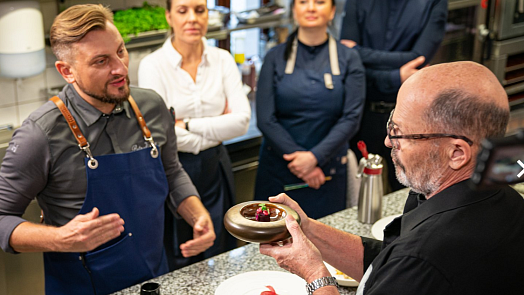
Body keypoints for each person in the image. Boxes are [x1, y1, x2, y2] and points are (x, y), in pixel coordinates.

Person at [0, 4, 215, 295]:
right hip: (81, 287)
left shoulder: (152, 107)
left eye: (120, 51)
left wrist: (197, 214)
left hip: (155, 280)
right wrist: (62, 238)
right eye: (101, 61)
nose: (120, 68)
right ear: (67, 71)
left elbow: (171, 171)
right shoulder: (39, 134)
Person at [259, 61, 524, 295]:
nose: (387, 141)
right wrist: (308, 229)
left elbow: (407, 265)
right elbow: (388, 265)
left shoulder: (425, 257)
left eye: (399, 132)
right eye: (390, 125)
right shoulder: (508, 198)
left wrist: (314, 273)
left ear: (456, 152)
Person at [138, 0, 250, 270]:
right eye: (182, 10)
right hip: (172, 171)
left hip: (216, 167)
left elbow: (242, 121)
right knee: (180, 255)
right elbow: (160, 135)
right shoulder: (152, 65)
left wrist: (186, 124)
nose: (192, 18)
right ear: (168, 16)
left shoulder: (222, 59)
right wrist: (217, 125)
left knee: (222, 251)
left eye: (200, 10)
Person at [254, 0, 365, 219]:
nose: (311, 7)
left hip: (327, 172)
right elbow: (265, 119)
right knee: (273, 243)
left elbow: (351, 118)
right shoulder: (274, 57)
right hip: (279, 168)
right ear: (294, 10)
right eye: (303, 2)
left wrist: (315, 157)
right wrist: (302, 164)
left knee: (328, 242)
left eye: (320, 2)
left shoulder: (349, 58)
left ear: (333, 11)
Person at [340, 0, 448, 192]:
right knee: (359, 192)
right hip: (361, 115)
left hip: (411, 118)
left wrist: (359, 52)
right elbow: (347, 58)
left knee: (411, 190)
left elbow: (418, 57)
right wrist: (396, 75)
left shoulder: (434, 2)